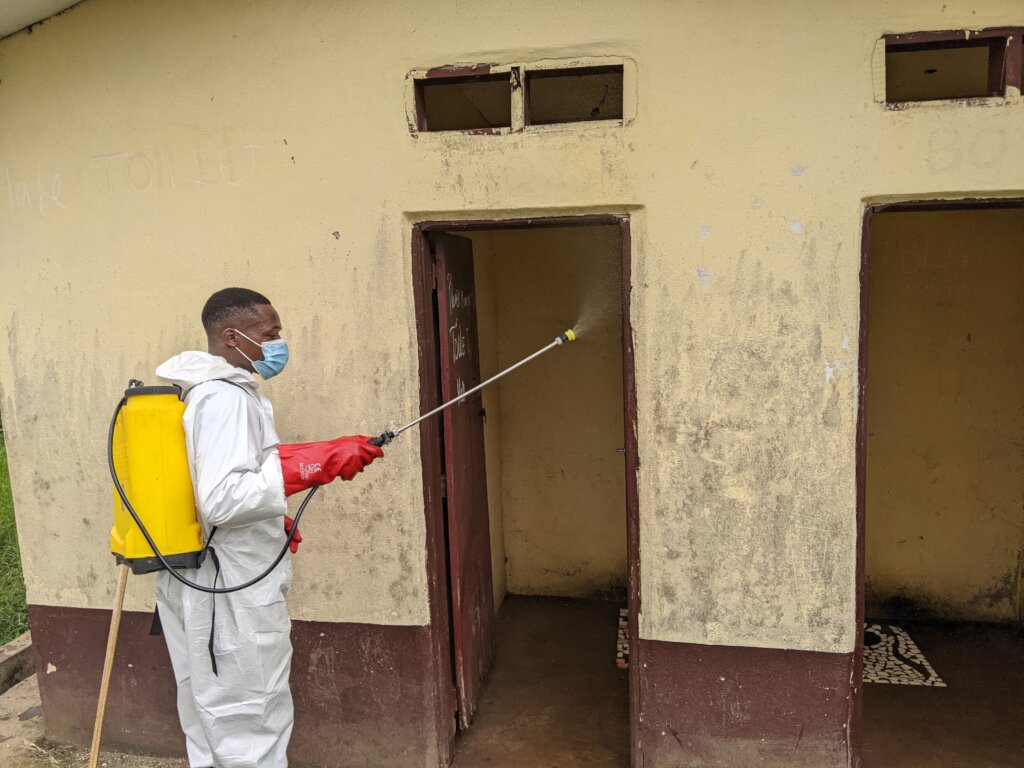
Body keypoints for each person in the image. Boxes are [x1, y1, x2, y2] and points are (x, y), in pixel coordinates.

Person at [154, 287, 383, 768]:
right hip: (231, 590)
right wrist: (306, 467)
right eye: (270, 334)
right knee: (250, 718)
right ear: (232, 336)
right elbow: (221, 499)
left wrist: (272, 518)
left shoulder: (210, 393)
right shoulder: (224, 399)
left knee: (209, 717)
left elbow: (222, 481)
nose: (279, 344)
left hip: (208, 579)